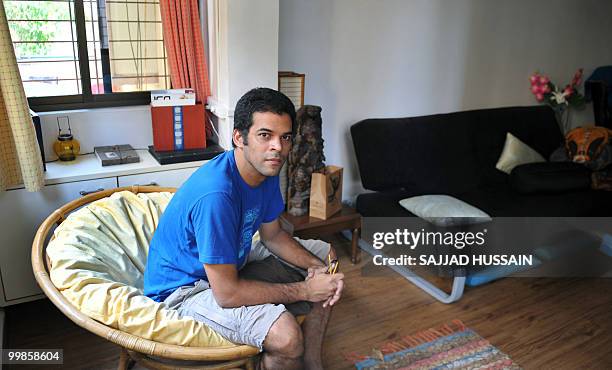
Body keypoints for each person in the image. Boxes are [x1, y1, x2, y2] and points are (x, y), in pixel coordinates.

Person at [144, 87, 345, 369]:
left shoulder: (266, 168)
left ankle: (313, 364)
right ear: (239, 137)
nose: (278, 147)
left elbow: (273, 235)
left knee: (328, 260)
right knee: (287, 337)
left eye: (285, 137)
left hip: (230, 265)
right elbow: (227, 294)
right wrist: (304, 290)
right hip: (186, 290)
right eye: (265, 135)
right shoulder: (217, 195)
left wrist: (316, 269)